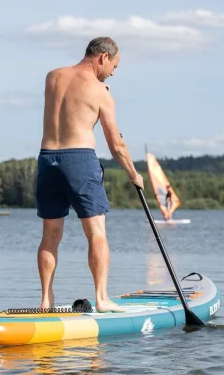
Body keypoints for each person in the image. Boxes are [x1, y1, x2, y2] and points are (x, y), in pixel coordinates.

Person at [35, 36, 144, 314]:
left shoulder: (52, 77)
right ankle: (102, 298)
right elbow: (115, 143)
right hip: (79, 159)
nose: (113, 73)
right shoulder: (101, 92)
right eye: (114, 66)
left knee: (50, 234)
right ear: (103, 57)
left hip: (48, 160)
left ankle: (46, 300)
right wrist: (133, 173)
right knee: (96, 233)